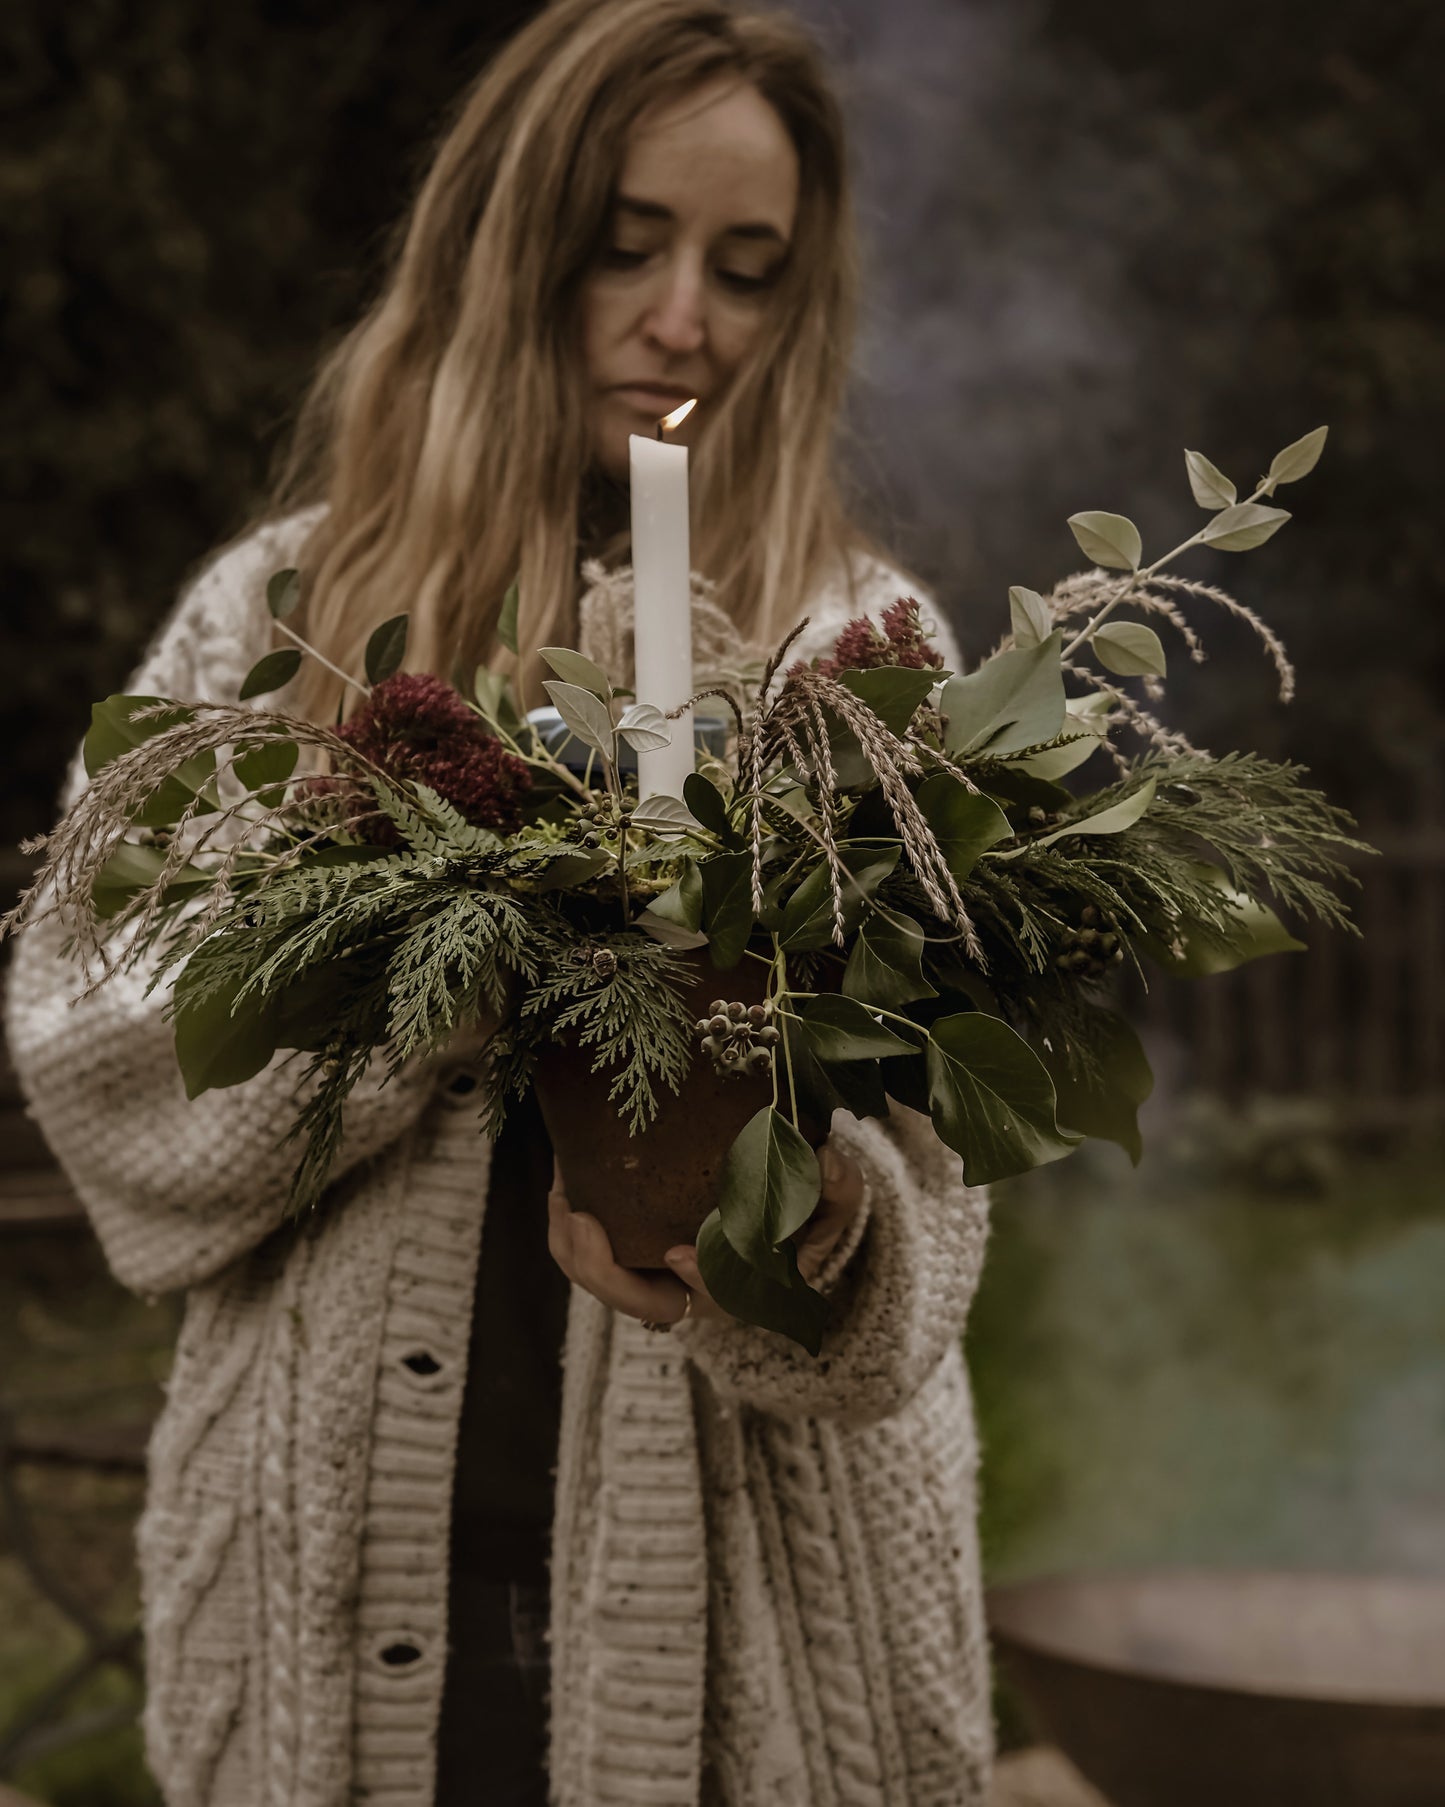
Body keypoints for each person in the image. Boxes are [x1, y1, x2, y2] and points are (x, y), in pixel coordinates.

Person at [5, 2, 994, 1803]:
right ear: (502, 246)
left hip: (755, 1628)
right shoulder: (281, 626)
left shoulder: (860, 658)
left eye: (745, 270)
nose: (683, 318)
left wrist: (802, 1228)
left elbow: (923, 1253)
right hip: (332, 1590)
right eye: (625, 248)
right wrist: (450, 947)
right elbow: (105, 1073)